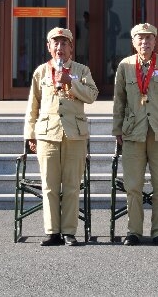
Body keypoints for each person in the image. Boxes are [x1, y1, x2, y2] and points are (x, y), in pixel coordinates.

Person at [23, 26, 98, 246]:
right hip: (47, 134)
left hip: (75, 134)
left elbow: (92, 95)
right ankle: (52, 231)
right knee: (49, 185)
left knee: (72, 186)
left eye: (64, 43)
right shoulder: (41, 72)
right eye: (55, 43)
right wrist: (30, 135)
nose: (60, 47)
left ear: (71, 47)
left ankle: (69, 232)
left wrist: (71, 83)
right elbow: (33, 105)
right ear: (49, 47)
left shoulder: (81, 70)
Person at [112, 23, 158, 245]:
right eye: (140, 38)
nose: (145, 42)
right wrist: (117, 129)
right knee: (133, 186)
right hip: (133, 132)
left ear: (155, 41)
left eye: (149, 38)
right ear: (133, 42)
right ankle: (133, 231)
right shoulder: (125, 66)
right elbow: (119, 100)